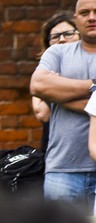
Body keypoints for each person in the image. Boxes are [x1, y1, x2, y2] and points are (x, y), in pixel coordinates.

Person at [30, 0, 96, 212]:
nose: (91, 17)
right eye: (84, 12)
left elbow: (48, 91)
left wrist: (59, 95)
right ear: (76, 19)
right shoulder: (57, 53)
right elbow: (39, 86)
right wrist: (94, 87)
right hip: (62, 168)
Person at [32, 11, 79, 153]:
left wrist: (55, 89)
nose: (62, 39)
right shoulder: (43, 71)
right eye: (55, 36)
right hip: (56, 150)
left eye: (68, 33)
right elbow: (43, 114)